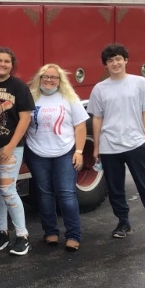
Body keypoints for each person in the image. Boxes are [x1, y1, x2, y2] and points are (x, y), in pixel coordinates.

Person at [87, 44, 145, 244]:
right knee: (115, 189)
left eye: (118, 58)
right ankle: (123, 222)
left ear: (126, 60)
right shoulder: (100, 88)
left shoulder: (139, 83)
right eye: (110, 60)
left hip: (137, 144)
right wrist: (96, 146)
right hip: (109, 146)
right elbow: (97, 118)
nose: (115, 63)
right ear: (105, 65)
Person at [25, 64, 89, 252]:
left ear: (60, 80)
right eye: (45, 77)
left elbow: (80, 126)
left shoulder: (69, 98)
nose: (49, 80)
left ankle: (73, 235)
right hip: (37, 153)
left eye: (54, 77)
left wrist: (79, 151)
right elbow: (23, 123)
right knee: (44, 195)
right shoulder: (31, 97)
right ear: (39, 78)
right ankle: (50, 232)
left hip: (65, 152)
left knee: (67, 194)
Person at [0, 47, 35, 257]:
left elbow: (25, 119)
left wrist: (10, 146)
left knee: (7, 189)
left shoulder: (19, 87)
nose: (2, 64)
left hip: (10, 146)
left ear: (12, 65)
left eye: (6, 61)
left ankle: (22, 235)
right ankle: (3, 233)